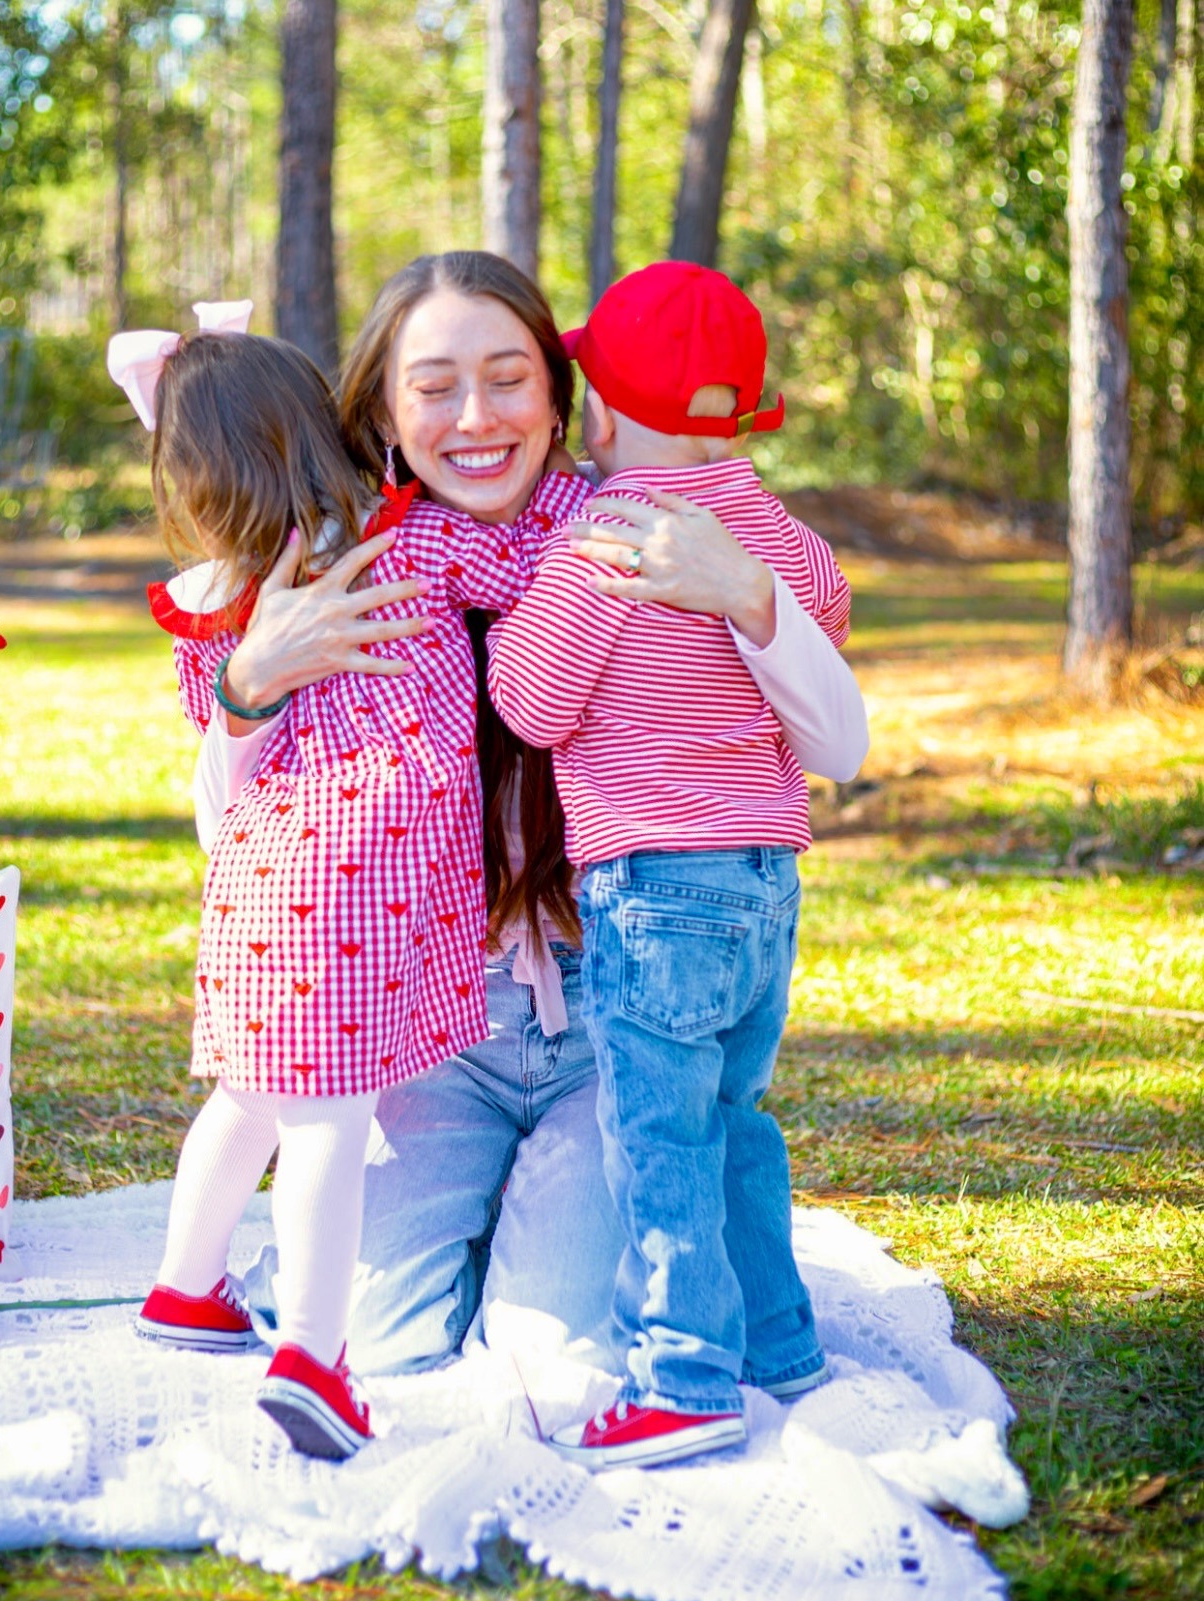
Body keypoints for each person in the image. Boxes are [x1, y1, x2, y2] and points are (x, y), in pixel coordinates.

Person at [188, 255, 868, 1385]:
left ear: (563, 401)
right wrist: (249, 687)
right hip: (433, 1026)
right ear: (384, 414)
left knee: (548, 1355)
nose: (475, 418)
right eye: (434, 387)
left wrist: (751, 596)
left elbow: (838, 748)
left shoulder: (645, 536)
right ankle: (456, 1217)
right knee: (383, 1340)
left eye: (508, 379)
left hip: (612, 1020)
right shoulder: (341, 562)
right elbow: (233, 841)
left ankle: (541, 1239)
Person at [106, 293, 591, 1460]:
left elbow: (214, 729)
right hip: (358, 893)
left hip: (255, 890)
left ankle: (185, 1285)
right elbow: (526, 558)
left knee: (250, 1098)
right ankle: (316, 1360)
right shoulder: (402, 542)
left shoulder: (212, 598)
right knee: (329, 1123)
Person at [487, 261, 854, 1470]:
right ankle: (780, 1345)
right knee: (735, 1117)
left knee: (659, 1140)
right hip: (766, 882)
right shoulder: (779, 540)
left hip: (652, 890)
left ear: (598, 410)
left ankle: (682, 1378)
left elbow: (533, 704)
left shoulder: (604, 542)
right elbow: (823, 622)